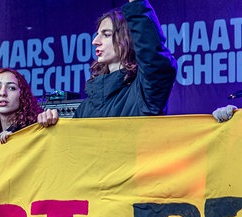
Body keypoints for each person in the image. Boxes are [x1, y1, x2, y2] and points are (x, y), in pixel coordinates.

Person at [37, 0, 177, 127]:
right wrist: (51, 126)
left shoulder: (144, 93)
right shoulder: (86, 107)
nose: (95, 41)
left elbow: (154, 58)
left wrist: (137, 4)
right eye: (97, 34)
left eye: (106, 34)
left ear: (128, 39)